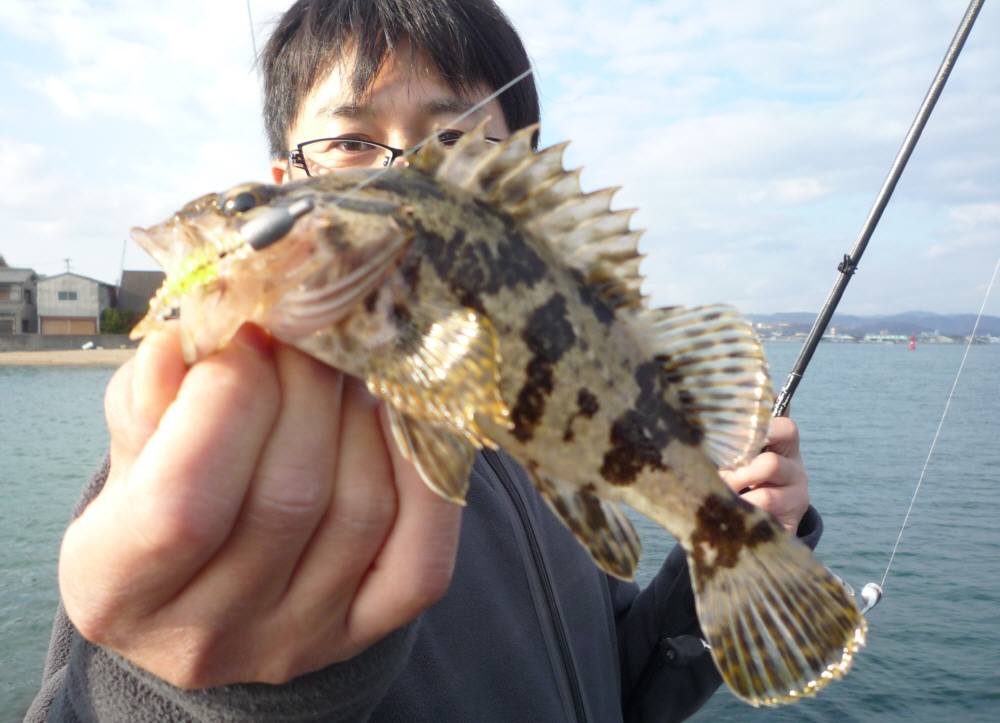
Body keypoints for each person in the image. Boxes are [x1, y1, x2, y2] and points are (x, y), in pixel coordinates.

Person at [28, 1, 816, 721]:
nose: (401, 171)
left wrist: (718, 548)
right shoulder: (200, 469)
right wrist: (187, 690)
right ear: (285, 181)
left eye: (454, 142)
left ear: (517, 174)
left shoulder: (535, 456)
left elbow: (612, 685)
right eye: (349, 142)